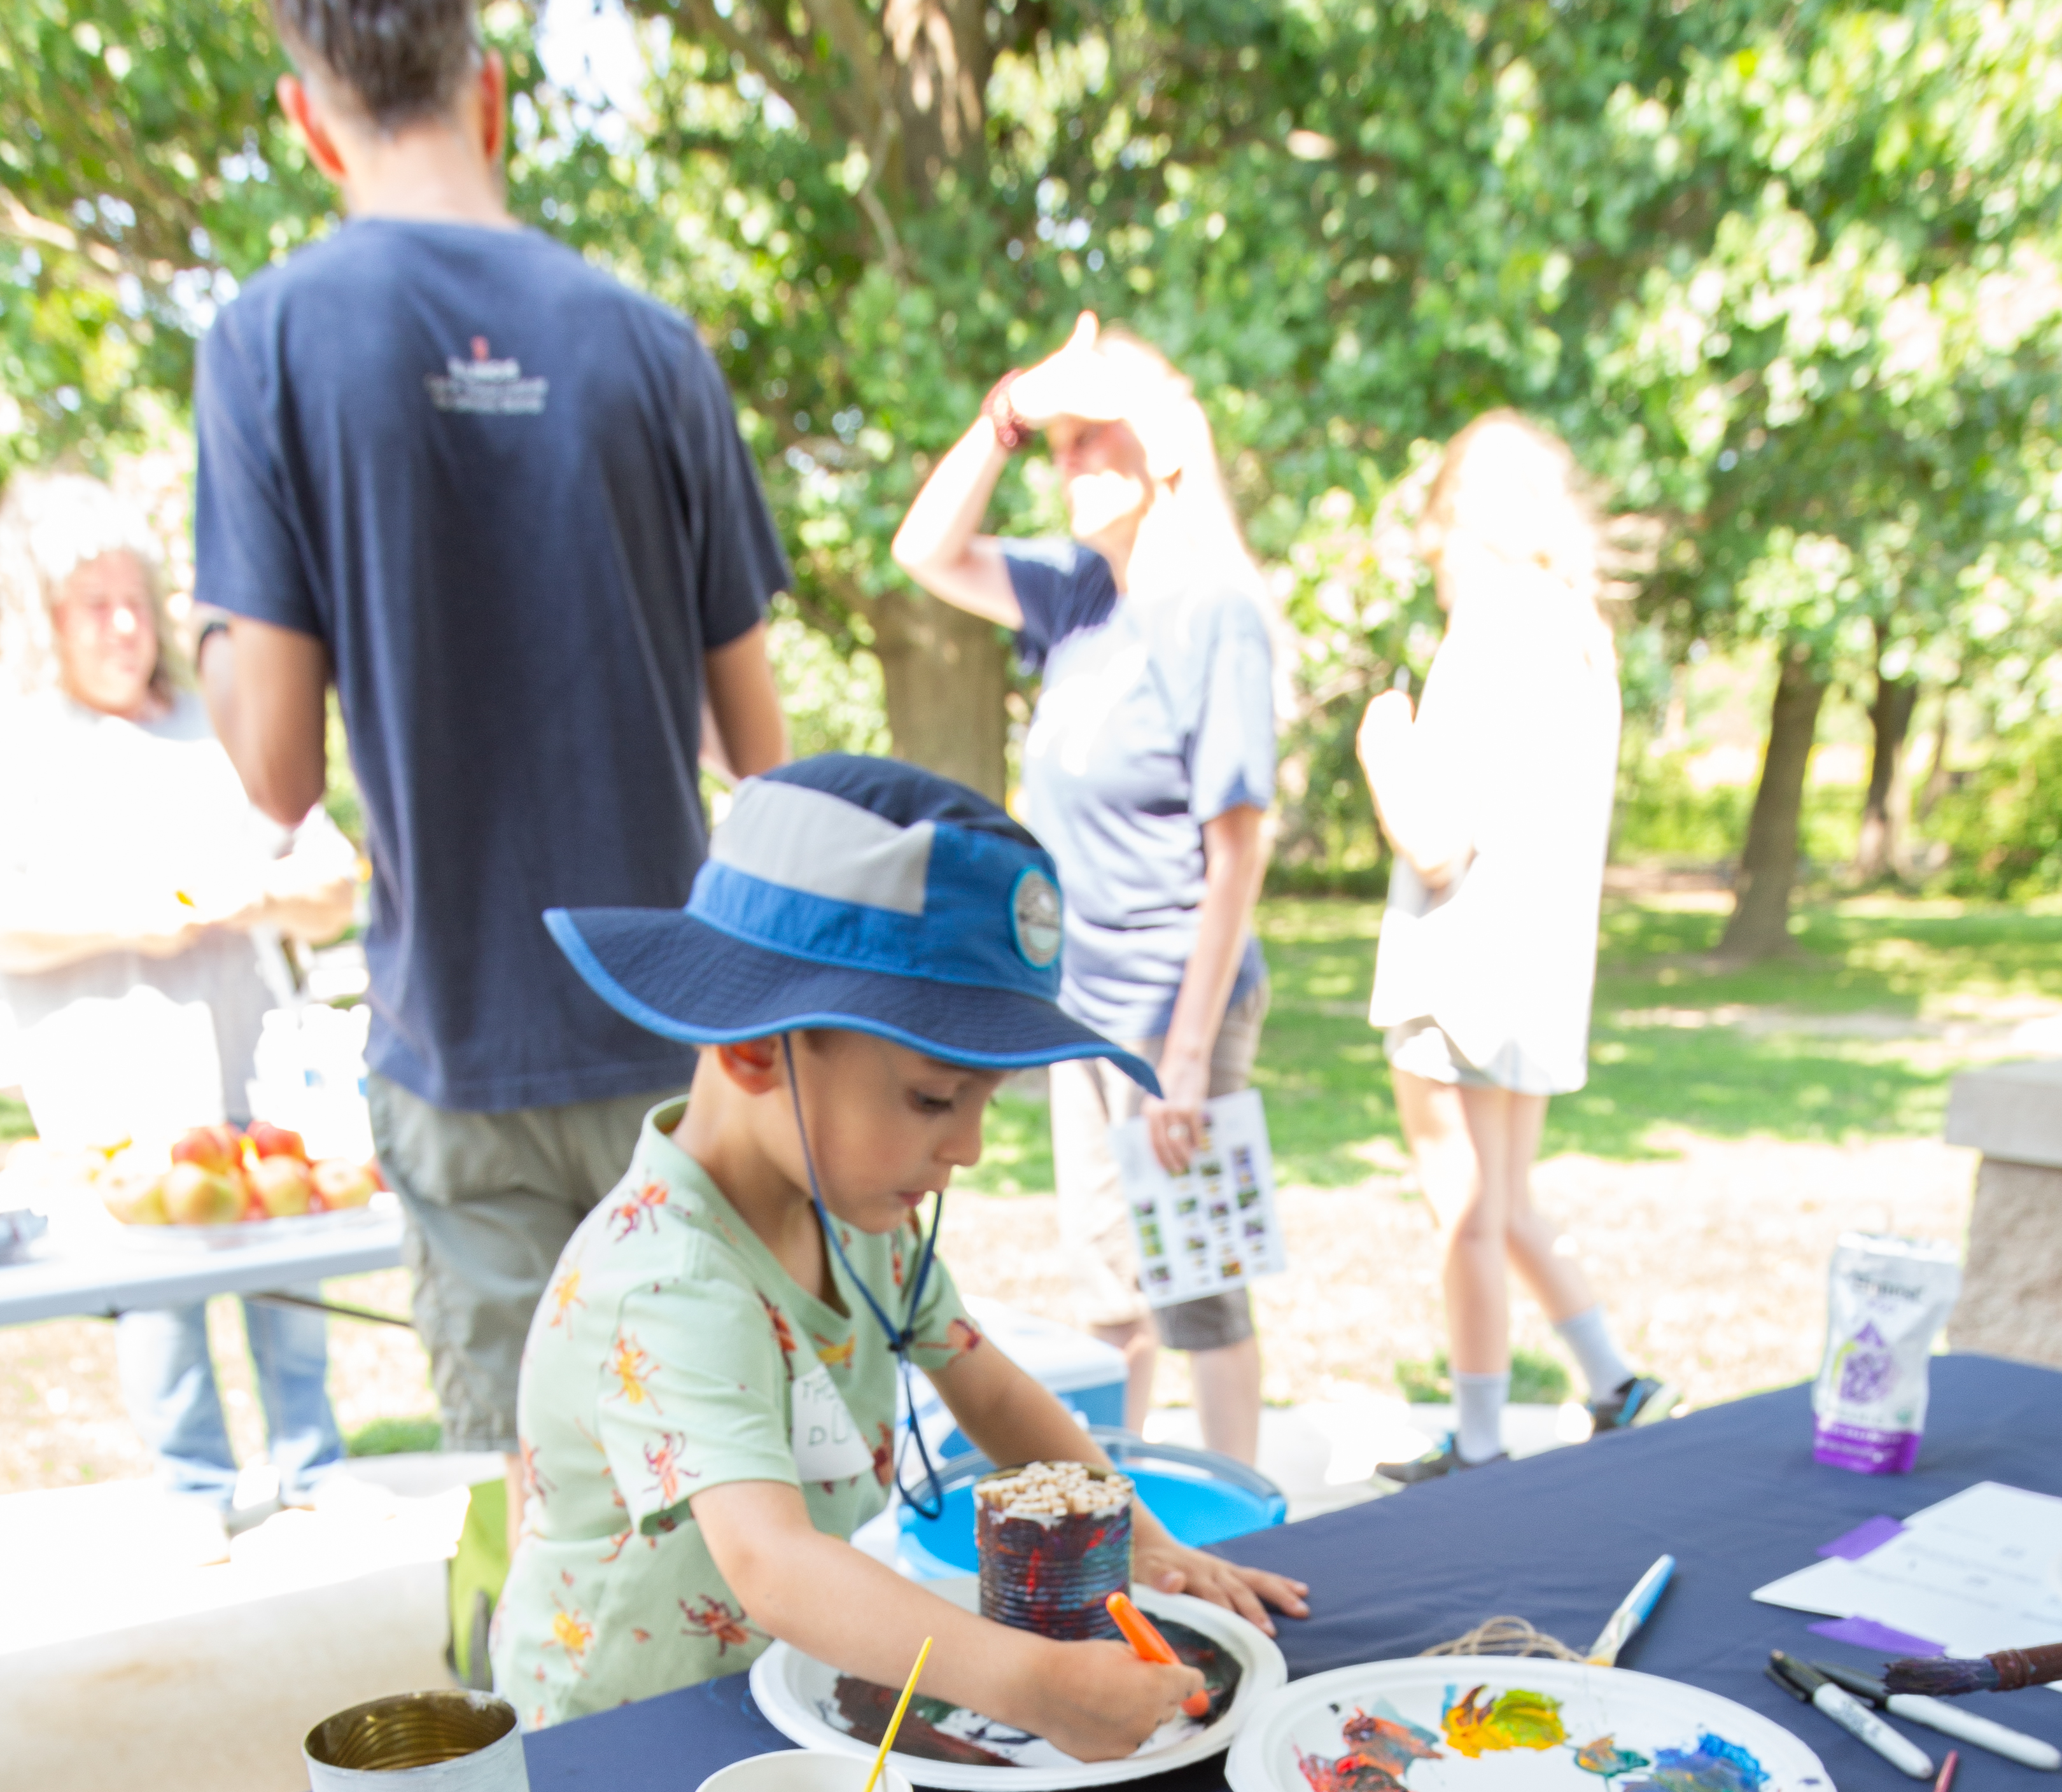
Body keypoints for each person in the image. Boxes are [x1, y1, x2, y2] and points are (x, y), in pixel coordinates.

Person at [190, 0, 792, 1515]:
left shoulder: (269, 341)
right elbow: (759, 756)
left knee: (535, 1521)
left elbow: (272, 771)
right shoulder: (650, 346)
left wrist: (214, 646)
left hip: (462, 1044)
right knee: (733, 1498)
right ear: (495, 95)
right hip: (679, 1030)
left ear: (310, 117)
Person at [492, 753, 1306, 1739]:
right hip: (618, 1725)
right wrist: (1027, 1684)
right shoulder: (668, 1282)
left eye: (984, 1104)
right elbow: (773, 1564)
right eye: (932, 1099)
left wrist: (1142, 1543)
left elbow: (991, 1389)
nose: (965, 1147)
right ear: (756, 1046)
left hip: (768, 1677)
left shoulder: (856, 1213)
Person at [892, 314, 1279, 1463]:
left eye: (1090, 436)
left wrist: (1192, 1054)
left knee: (1198, 1285)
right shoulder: (1076, 597)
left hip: (1175, 1000)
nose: (1067, 463)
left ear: (1161, 450)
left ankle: (1243, 1512)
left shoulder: (1211, 611)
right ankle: (1129, 1516)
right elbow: (926, 550)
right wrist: (1009, 410)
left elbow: (1240, 849)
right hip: (1080, 1001)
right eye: (1054, 444)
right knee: (1108, 1288)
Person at [0, 475, 358, 1546]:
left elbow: (333, 885)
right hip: (119, 1099)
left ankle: (314, 1473)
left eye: (131, 599)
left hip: (260, 1070)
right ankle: (197, 1494)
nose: (121, 626)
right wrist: (130, 920)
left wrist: (263, 897)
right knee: (159, 1311)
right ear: (42, 616)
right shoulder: (27, 746)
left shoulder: (222, 728)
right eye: (90, 605)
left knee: (291, 1281)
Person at [1355, 412, 1674, 1481]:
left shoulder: (1490, 632)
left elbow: (1438, 842)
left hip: (1461, 977)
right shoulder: (1580, 634)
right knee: (1510, 1203)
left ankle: (1480, 1444)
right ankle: (1616, 1384)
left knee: (1466, 1217)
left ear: (1459, 521)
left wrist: (1384, 744)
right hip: (1537, 978)